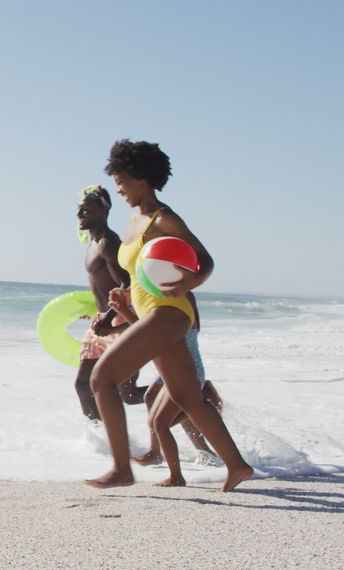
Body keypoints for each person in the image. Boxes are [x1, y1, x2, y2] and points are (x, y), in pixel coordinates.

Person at [85, 139, 253, 492]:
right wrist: (126, 295)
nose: (119, 188)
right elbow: (145, 271)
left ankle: (121, 470)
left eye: (123, 180)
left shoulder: (164, 218)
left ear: (144, 178)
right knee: (188, 397)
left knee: (102, 378)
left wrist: (189, 282)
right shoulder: (135, 220)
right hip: (153, 313)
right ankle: (237, 466)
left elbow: (205, 260)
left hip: (168, 312)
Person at [109, 288, 224, 484]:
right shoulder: (166, 298)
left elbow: (150, 334)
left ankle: (182, 468)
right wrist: (123, 309)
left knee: (164, 422)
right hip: (173, 367)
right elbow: (146, 329)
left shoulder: (180, 299)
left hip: (185, 369)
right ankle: (158, 454)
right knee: (151, 397)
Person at [74, 186, 146, 421]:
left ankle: (194, 393)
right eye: (79, 208)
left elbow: (127, 285)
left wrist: (107, 319)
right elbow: (103, 285)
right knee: (84, 386)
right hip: (101, 320)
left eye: (86, 209)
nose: (79, 214)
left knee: (129, 394)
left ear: (103, 212)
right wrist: (96, 312)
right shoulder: (92, 243)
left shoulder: (107, 242)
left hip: (120, 320)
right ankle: (101, 441)